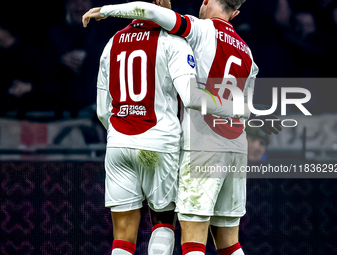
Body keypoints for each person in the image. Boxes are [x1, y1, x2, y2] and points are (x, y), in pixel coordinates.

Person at [83, 1, 282, 254]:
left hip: (194, 145)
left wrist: (106, 10)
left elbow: (103, 109)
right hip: (232, 145)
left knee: (186, 241)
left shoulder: (194, 30)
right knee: (229, 243)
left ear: (207, 1)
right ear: (236, 13)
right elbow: (245, 105)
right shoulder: (247, 51)